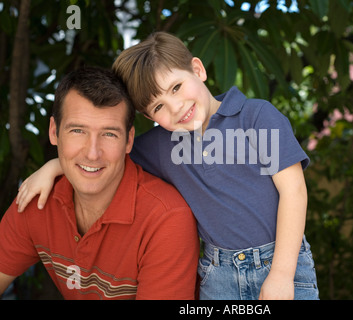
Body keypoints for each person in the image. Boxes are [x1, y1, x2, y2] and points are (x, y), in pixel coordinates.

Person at [16, 32, 319, 300]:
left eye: (176, 87)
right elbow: (105, 157)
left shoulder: (255, 116)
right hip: (218, 274)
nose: (175, 108)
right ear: (151, 119)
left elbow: (294, 191)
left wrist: (280, 274)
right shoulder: (163, 146)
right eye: (158, 106)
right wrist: (55, 165)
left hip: (283, 261)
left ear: (197, 70)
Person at [1, 67, 199, 300]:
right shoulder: (38, 197)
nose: (93, 153)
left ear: (129, 140)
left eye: (109, 134)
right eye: (77, 130)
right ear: (54, 132)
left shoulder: (166, 218)